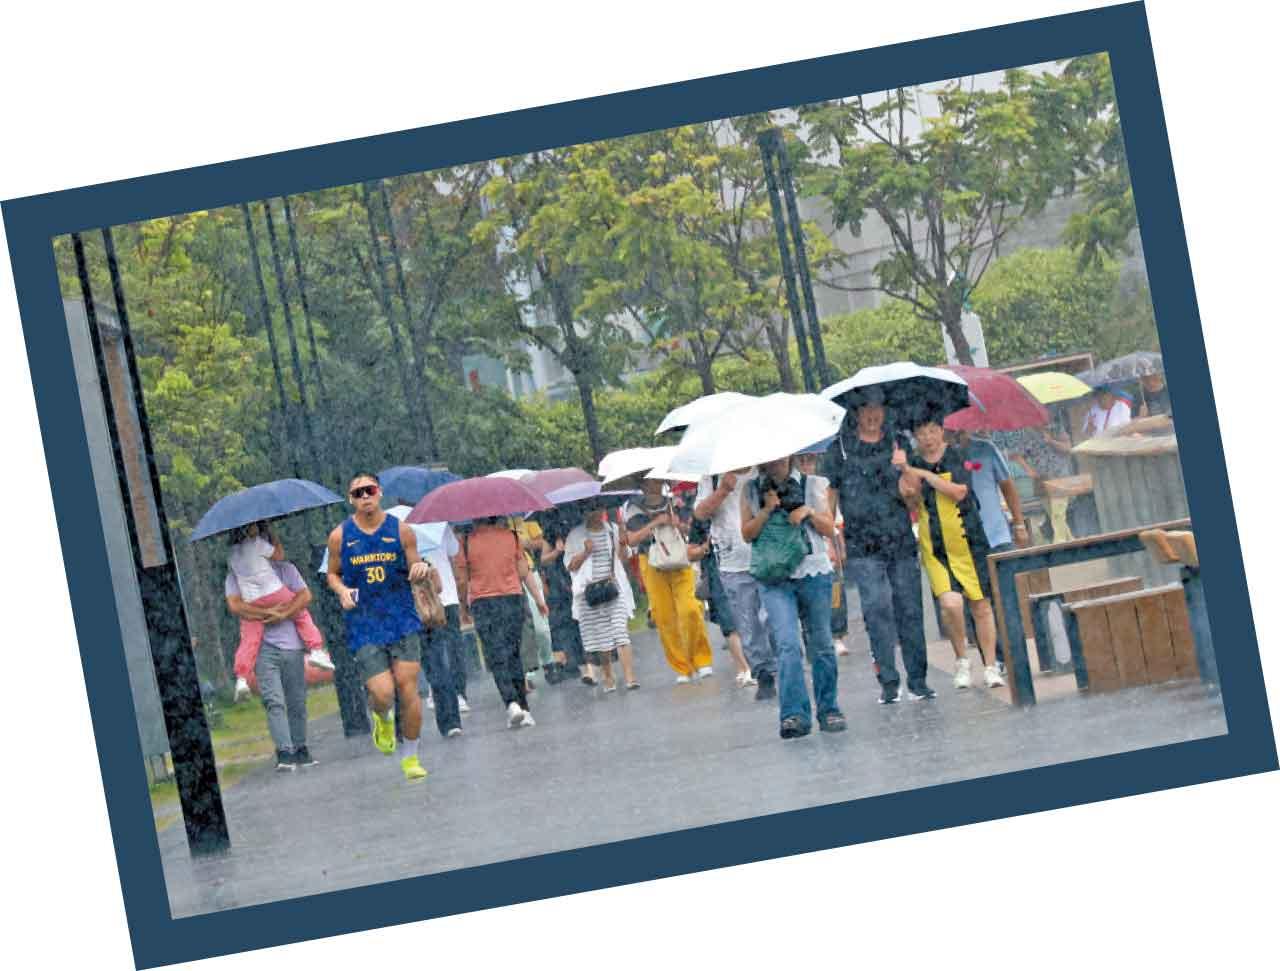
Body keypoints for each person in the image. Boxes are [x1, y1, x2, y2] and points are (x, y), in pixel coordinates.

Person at [823, 387, 935, 705]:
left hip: (899, 539)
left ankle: (918, 680)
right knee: (876, 609)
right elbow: (828, 499)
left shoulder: (898, 444)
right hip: (862, 545)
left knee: (910, 609)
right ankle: (888, 681)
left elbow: (914, 498)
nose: (873, 416)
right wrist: (830, 540)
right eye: (866, 409)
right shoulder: (840, 450)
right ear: (856, 413)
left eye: (878, 409)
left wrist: (905, 470)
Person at [326, 473, 438, 782]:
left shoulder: (401, 531)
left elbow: (416, 566)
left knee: (408, 687)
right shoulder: (340, 536)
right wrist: (341, 591)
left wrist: (419, 568)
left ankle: (411, 755)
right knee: (383, 693)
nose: (365, 496)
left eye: (369, 490)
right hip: (364, 623)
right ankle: (381, 718)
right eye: (358, 492)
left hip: (401, 619)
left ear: (379, 493)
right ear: (351, 499)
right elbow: (332, 574)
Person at [741, 455, 846, 738]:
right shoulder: (751, 490)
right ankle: (794, 715)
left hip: (813, 571)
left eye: (779, 456)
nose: (774, 461)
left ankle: (829, 708)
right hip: (774, 576)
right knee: (787, 644)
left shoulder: (813, 484)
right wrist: (766, 510)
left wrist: (808, 512)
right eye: (768, 456)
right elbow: (747, 534)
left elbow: (828, 528)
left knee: (822, 642)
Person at [901, 414, 1006, 691]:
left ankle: (991, 665)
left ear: (942, 432)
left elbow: (959, 491)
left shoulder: (959, 455)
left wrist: (924, 475)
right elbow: (912, 503)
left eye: (932, 430)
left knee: (981, 605)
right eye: (921, 432)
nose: (927, 437)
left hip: (968, 540)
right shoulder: (910, 464)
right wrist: (907, 481)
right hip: (936, 546)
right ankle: (961, 659)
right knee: (951, 604)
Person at [225, 557, 319, 771]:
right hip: (262, 649)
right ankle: (285, 752)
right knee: (273, 701)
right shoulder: (235, 576)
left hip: (292, 646)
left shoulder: (285, 569)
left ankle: (300, 747)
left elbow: (304, 596)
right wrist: (266, 614)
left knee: (297, 700)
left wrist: (284, 613)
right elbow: (235, 605)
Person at [456, 516, 549, 728]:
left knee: (496, 655)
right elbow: (524, 571)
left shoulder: (467, 542)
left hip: (483, 602)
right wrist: (539, 599)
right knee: (513, 654)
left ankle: (511, 702)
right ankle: (524, 709)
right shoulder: (511, 537)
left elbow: (462, 579)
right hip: (512, 598)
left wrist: (463, 606)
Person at [228, 521, 333, 702]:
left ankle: (242, 678)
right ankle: (316, 649)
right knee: (300, 612)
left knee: (249, 638)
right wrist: (273, 536)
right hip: (273, 591)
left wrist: (263, 612)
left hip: (252, 600)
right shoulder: (257, 544)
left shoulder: (231, 554)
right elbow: (279, 555)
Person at [625, 480, 714, 684]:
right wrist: (655, 523)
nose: (651, 485)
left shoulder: (675, 502)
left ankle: (701, 659)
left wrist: (678, 524)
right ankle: (681, 666)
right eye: (646, 481)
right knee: (664, 616)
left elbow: (690, 529)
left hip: (679, 558)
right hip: (651, 561)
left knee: (690, 609)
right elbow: (632, 540)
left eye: (654, 480)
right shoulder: (634, 508)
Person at [690, 472, 761, 691]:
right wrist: (722, 490)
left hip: (762, 550)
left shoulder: (762, 466)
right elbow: (699, 515)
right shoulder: (710, 477)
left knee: (763, 614)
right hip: (726, 559)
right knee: (732, 619)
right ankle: (745, 668)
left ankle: (768, 663)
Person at [565, 500, 638, 691]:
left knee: (621, 633)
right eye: (591, 509)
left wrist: (622, 544)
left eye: (599, 508)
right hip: (589, 594)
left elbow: (624, 557)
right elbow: (570, 566)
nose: (596, 513)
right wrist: (585, 552)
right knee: (602, 641)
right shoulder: (575, 535)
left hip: (613, 588)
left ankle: (630, 678)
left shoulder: (612, 529)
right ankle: (608, 677)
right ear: (584, 512)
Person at [511, 516, 557, 686]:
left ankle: (547, 661)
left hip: (529, 571)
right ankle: (526, 671)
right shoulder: (496, 525)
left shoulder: (525, 519)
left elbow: (540, 541)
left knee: (541, 627)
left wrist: (526, 543)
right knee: (521, 628)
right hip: (508, 577)